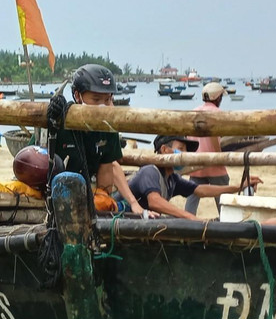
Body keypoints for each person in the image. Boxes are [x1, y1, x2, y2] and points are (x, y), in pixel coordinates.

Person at [48, 64, 149, 217]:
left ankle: (104, 206)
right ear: (78, 96)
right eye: (96, 99)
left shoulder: (108, 127)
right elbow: (37, 157)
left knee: (106, 186)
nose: (103, 105)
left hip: (91, 189)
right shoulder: (60, 119)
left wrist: (133, 203)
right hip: (58, 188)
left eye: (107, 99)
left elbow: (111, 164)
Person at [127, 135, 257, 220]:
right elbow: (155, 201)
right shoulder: (150, 171)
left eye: (185, 150)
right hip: (123, 219)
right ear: (164, 149)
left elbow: (200, 190)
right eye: (180, 149)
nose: (184, 154)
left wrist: (239, 186)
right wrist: (189, 217)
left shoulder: (172, 178)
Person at [184, 82, 229, 216]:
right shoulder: (219, 114)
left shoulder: (194, 112)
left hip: (196, 163)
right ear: (217, 98)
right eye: (221, 97)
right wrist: (220, 157)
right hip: (215, 163)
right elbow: (217, 140)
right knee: (223, 197)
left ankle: (186, 221)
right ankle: (226, 221)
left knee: (192, 196)